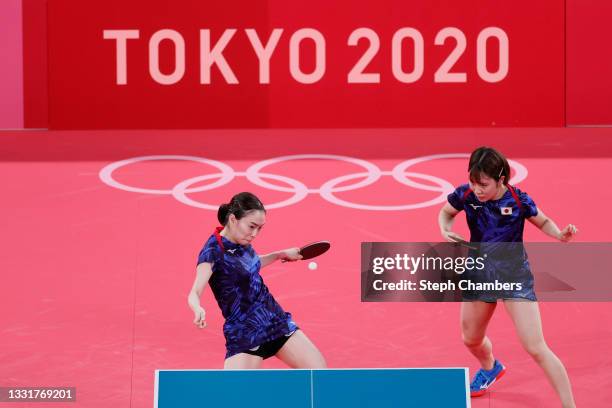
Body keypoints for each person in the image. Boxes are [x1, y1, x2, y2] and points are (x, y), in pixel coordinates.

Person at [438, 147, 577, 407]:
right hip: (480, 272)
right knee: (471, 339)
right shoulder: (466, 194)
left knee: (535, 346)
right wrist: (445, 229)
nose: (477, 189)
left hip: (514, 275)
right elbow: (446, 212)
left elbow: (543, 221)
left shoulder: (518, 199)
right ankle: (490, 367)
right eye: (473, 182)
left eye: (484, 184)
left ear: (501, 179)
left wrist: (559, 234)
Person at [187, 192, 327, 369]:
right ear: (233, 219)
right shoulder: (212, 252)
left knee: (319, 372)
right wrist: (197, 307)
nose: (255, 234)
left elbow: (249, 265)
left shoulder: (242, 239)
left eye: (259, 228)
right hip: (245, 333)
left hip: (275, 322)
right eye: (252, 226)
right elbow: (195, 292)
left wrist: (279, 254)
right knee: (238, 394)